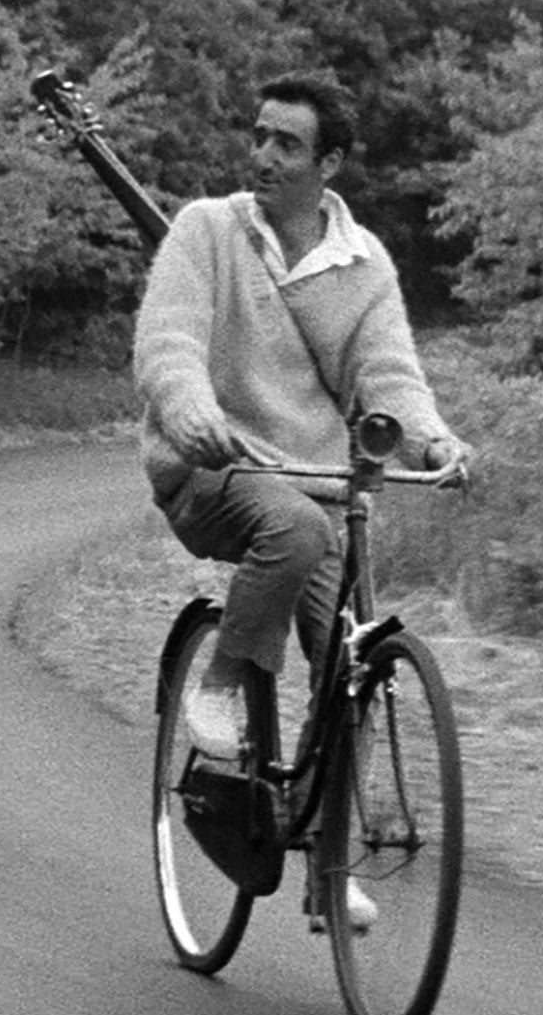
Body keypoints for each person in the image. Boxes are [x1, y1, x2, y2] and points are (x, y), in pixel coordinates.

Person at [132, 72, 469, 929]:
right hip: (216, 472)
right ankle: (219, 682)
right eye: (261, 137)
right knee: (287, 526)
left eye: (287, 144)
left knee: (348, 661)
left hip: (318, 486)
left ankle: (325, 867)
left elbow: (388, 378)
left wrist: (432, 442)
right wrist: (191, 411)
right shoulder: (206, 230)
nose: (264, 157)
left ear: (332, 162)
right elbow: (168, 341)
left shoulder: (364, 266)